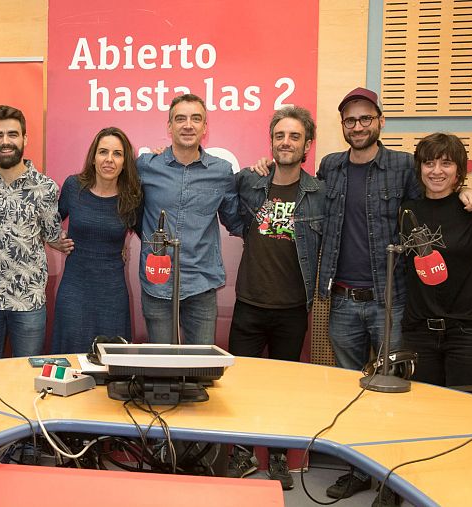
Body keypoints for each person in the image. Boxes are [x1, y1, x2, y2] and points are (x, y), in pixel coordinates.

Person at [250, 88, 472, 505]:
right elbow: (297, 188)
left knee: (393, 390)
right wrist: (268, 166)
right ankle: (357, 471)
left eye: (365, 119)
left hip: (391, 299)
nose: (357, 126)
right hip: (340, 299)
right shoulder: (331, 166)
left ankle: (389, 480)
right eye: (350, 120)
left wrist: (468, 193)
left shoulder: (402, 166)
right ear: (342, 126)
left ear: (379, 122)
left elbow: (437, 196)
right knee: (348, 392)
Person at [226, 106, 324, 490]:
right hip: (249, 303)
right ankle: (242, 453)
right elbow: (222, 189)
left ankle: (279, 456)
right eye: (280, 136)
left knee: (283, 391)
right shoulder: (253, 183)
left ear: (307, 145)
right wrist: (251, 169)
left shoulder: (318, 194)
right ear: (271, 142)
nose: (286, 142)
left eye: (294, 136)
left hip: (292, 308)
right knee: (240, 387)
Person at [401, 133, 472, 387]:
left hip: (467, 335)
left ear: (459, 170)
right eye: (429, 163)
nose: (437, 171)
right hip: (418, 335)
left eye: (446, 163)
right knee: (422, 415)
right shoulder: (406, 211)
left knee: (467, 414)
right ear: (420, 169)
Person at [137, 93, 242, 345]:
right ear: (169, 126)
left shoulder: (221, 171)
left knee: (201, 368)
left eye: (196, 118)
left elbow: (235, 220)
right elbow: (125, 209)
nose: (188, 125)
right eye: (180, 118)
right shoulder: (145, 166)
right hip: (157, 283)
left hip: (201, 285)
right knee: (161, 369)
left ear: (205, 127)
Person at [0, 105, 61, 360]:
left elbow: (52, 234)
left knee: (26, 381)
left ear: (25, 139)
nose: (5, 142)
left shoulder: (45, 188)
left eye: (13, 134)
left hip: (27, 301)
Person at [50, 127, 142, 353]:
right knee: (71, 360)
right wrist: (54, 241)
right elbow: (47, 222)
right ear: (93, 158)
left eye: (117, 154)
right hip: (74, 290)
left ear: (124, 162)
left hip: (112, 293)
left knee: (111, 360)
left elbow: (149, 236)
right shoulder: (74, 187)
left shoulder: (132, 197)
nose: (109, 160)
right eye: (103, 152)